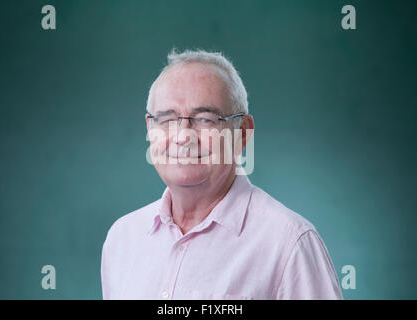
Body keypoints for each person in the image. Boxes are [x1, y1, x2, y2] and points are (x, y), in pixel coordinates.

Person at [101, 49, 343, 300]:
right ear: (150, 129)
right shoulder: (123, 238)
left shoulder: (289, 243)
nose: (184, 136)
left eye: (205, 119)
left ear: (242, 132)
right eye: (167, 119)